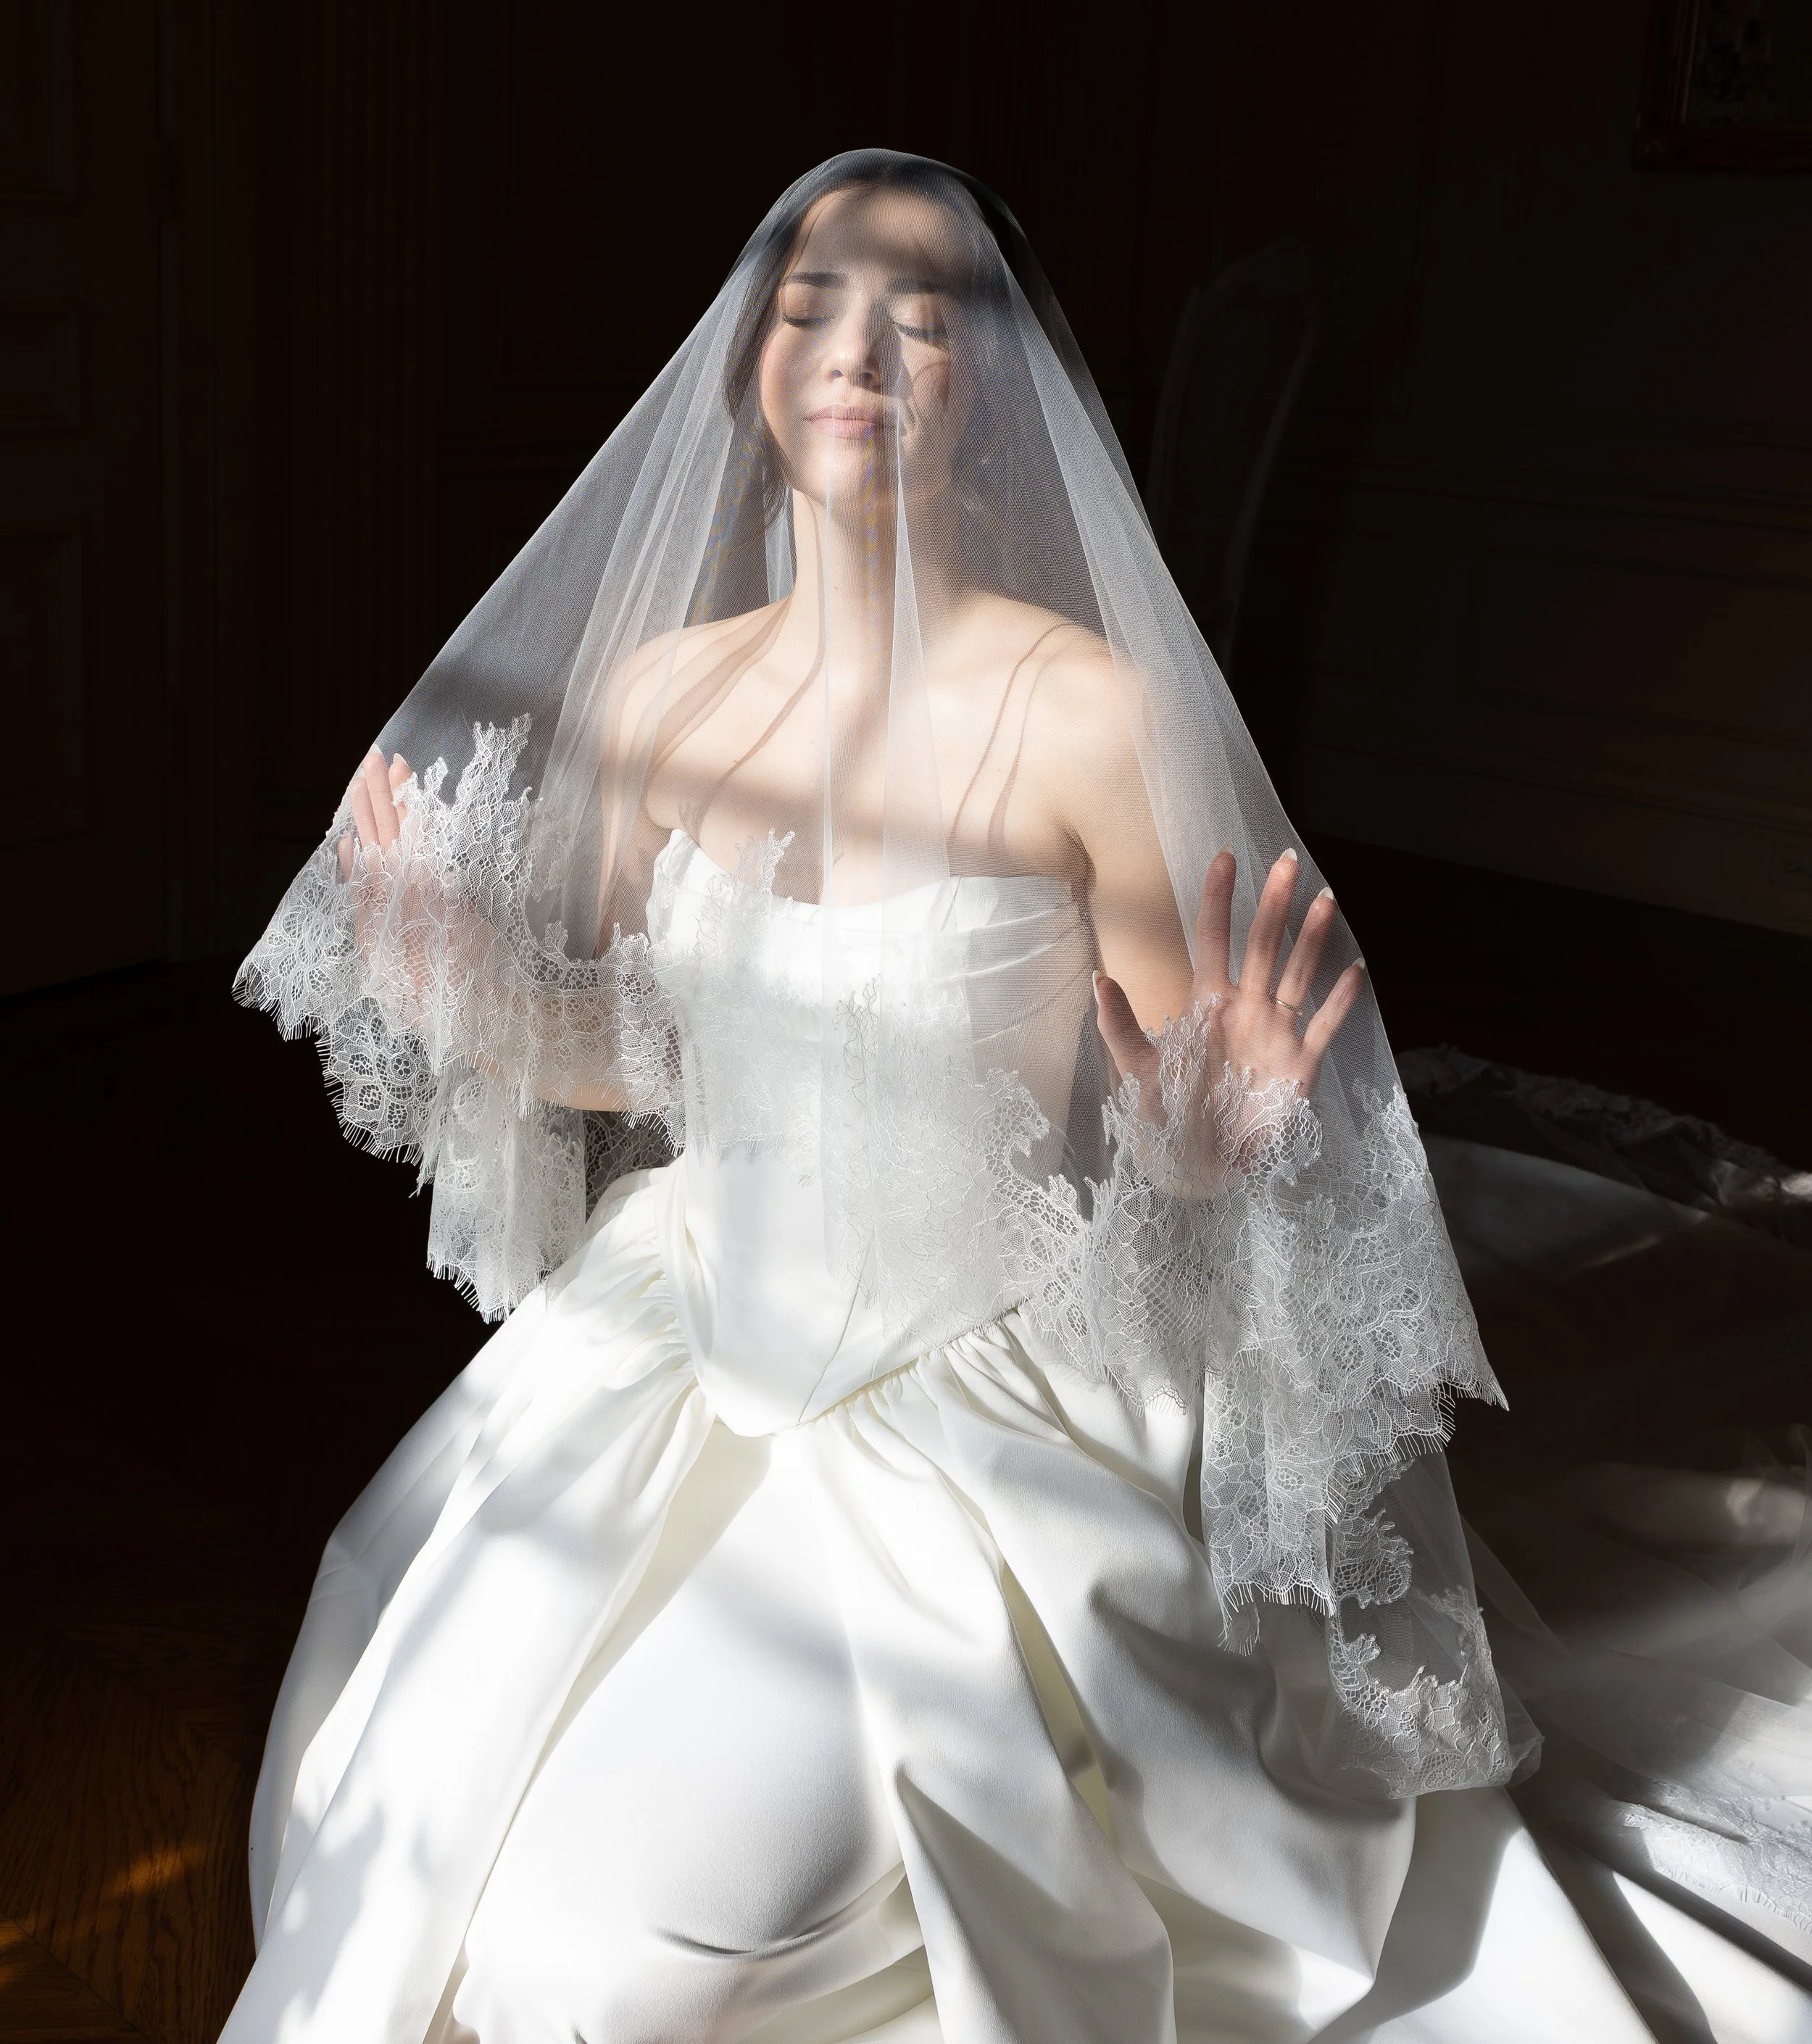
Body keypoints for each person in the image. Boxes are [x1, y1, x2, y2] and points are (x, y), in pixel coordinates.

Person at [223, 154, 1661, 2043]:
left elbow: (1181, 1135)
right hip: (679, 1331)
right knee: (385, 1763)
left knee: (617, 1961)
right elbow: (650, 1058)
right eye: (812, 308)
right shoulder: (661, 698)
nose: (858, 352)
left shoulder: (1089, 714)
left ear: (994, 387)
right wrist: (468, 995)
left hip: (976, 1379)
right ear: (752, 363)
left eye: (922, 318)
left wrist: (1195, 1154)